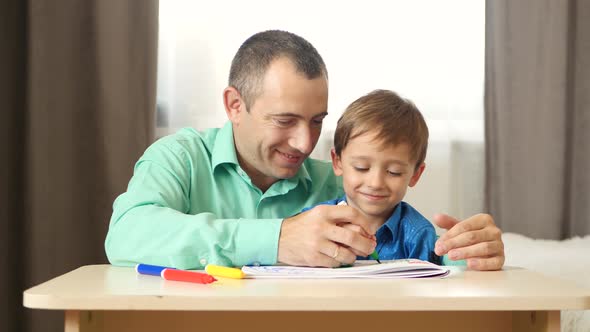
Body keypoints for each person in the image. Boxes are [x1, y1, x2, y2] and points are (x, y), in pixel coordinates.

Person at [105, 30, 505, 270]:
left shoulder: (336, 184)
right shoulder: (181, 158)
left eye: (317, 121)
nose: (304, 143)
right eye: (284, 121)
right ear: (234, 105)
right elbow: (125, 236)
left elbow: (408, 255)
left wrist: (469, 251)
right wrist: (275, 239)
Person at [303, 89, 447, 265]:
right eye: (361, 167)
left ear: (415, 174)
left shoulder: (419, 235)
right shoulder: (314, 222)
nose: (376, 183)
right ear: (337, 162)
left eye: (394, 172)